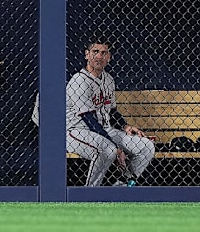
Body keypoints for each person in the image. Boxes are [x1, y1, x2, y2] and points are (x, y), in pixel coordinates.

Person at [32, 36, 155, 186]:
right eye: (95, 51)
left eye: (104, 53)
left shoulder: (108, 79)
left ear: (109, 57)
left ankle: (123, 184)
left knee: (146, 146)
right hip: (76, 132)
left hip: (103, 130)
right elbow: (89, 119)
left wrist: (125, 126)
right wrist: (116, 148)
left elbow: (112, 111)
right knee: (108, 150)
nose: (99, 56)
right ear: (87, 54)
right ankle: (91, 191)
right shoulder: (79, 80)